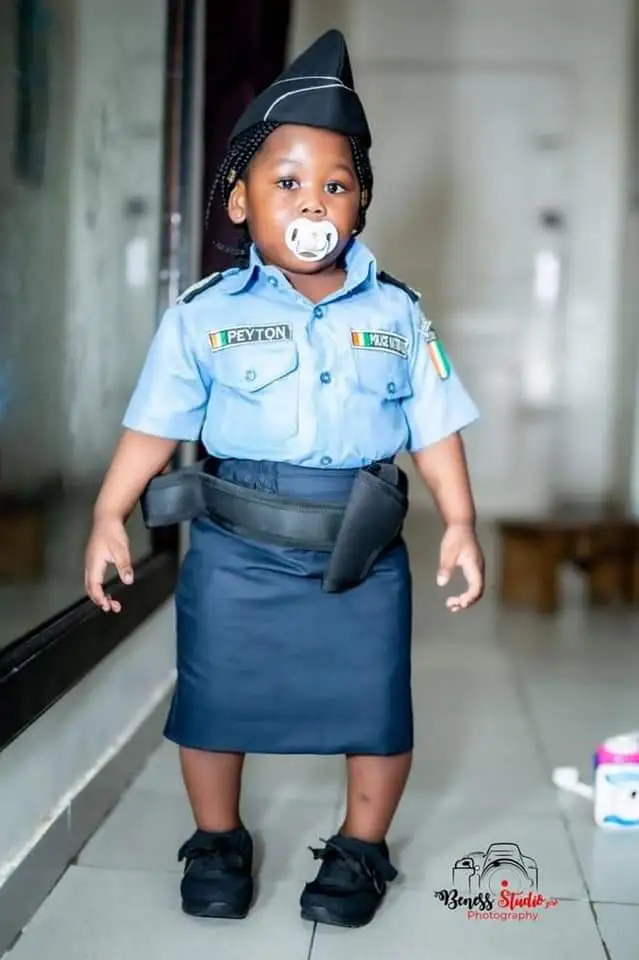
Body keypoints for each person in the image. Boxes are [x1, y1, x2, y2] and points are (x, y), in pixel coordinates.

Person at [84, 29, 484, 930]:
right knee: (212, 699)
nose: (313, 202)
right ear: (239, 200)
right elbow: (155, 423)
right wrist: (110, 512)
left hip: (359, 551)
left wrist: (459, 522)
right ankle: (217, 838)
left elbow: (435, 423)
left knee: (375, 705)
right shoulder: (202, 317)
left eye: (335, 185)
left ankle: (360, 847)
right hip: (237, 548)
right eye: (287, 181)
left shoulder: (397, 314)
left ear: (361, 202)